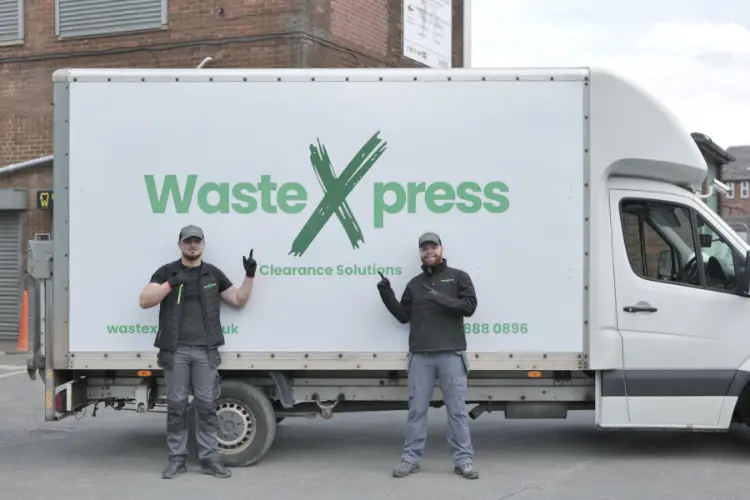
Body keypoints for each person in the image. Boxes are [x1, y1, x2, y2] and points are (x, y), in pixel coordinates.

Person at [138, 225, 257, 480]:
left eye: (197, 241)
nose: (193, 245)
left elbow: (238, 299)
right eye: (188, 241)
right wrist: (170, 283)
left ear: (203, 244)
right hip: (175, 350)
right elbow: (145, 299)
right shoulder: (167, 271)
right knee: (177, 406)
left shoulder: (212, 274)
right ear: (180, 244)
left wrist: (249, 276)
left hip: (205, 351)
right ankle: (177, 459)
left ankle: (210, 458)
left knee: (206, 406)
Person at [376, 232, 479, 480]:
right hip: (421, 357)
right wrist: (386, 294)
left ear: (441, 249)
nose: (429, 251)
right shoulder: (414, 284)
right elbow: (403, 316)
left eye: (433, 246)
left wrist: (439, 298)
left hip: (451, 355)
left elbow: (470, 307)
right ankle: (410, 460)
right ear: (420, 253)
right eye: (424, 248)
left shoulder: (458, 277)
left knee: (456, 412)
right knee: (416, 412)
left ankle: (463, 461)